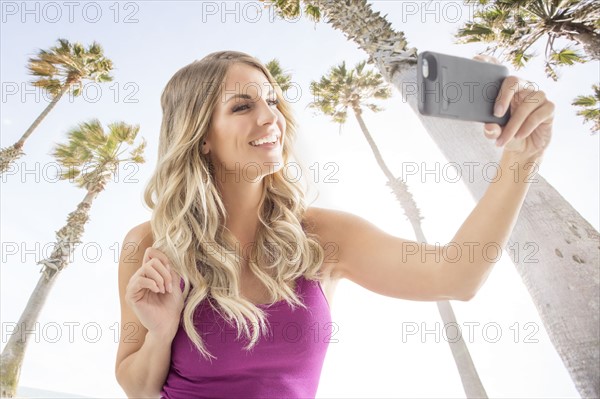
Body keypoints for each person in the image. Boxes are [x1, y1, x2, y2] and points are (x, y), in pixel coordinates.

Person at [114, 50, 554, 398]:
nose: (270, 118)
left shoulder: (323, 238)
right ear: (201, 136)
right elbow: (137, 387)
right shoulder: (152, 244)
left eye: (272, 100)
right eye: (242, 106)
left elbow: (456, 276)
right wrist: (161, 333)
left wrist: (521, 159)